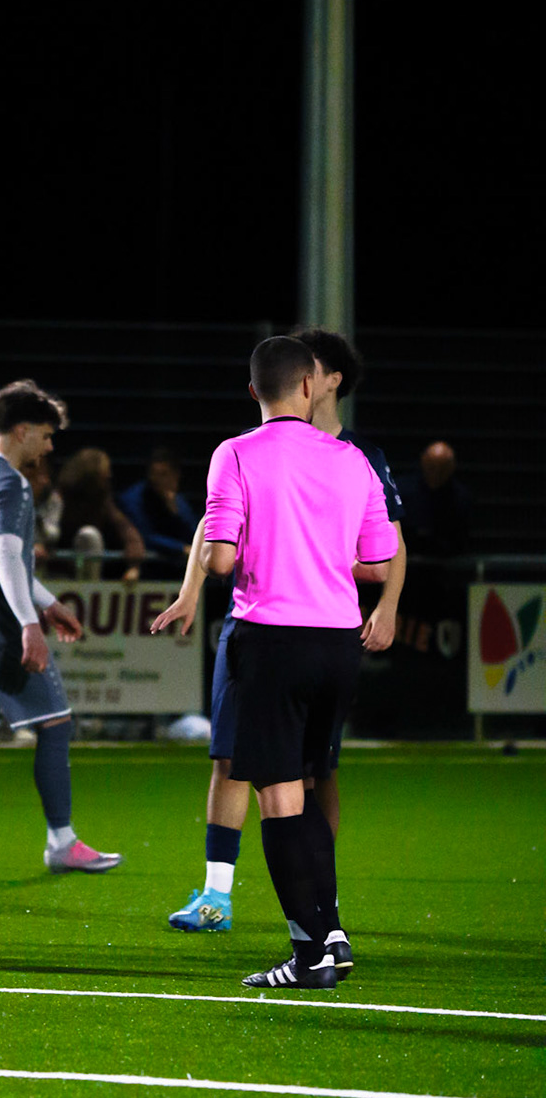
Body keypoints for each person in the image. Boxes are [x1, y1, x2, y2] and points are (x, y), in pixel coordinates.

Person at [153, 327, 405, 935]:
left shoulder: (236, 452)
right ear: (307, 385)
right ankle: (327, 927)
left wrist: (249, 557)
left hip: (267, 635)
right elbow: (378, 558)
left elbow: (218, 555)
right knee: (310, 780)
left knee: (275, 791)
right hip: (337, 644)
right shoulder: (352, 460)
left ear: (253, 390)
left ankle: (311, 942)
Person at [0, 380, 122, 875]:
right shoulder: (10, 483)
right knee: (56, 725)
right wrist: (30, 624)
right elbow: (9, 559)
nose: (49, 447)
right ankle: (62, 842)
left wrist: (49, 603)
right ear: (22, 429)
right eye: (47, 435)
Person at [56, 448, 144, 581]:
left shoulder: (103, 501)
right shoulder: (61, 498)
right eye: (105, 472)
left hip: (90, 569)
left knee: (89, 536)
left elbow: (127, 531)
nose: (109, 475)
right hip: (59, 566)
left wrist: (134, 566)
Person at [117, 447, 199, 573]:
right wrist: (181, 548)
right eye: (153, 474)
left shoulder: (178, 502)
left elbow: (194, 535)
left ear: (176, 476)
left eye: (164, 474)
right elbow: (144, 536)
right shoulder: (132, 499)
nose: (156, 480)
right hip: (144, 570)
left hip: (173, 571)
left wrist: (175, 512)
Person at [400, 440, 472, 557]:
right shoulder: (402, 491)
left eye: (442, 468)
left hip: (445, 563)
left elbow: (461, 539)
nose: (436, 473)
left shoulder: (461, 497)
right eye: (432, 467)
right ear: (423, 462)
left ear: (451, 467)